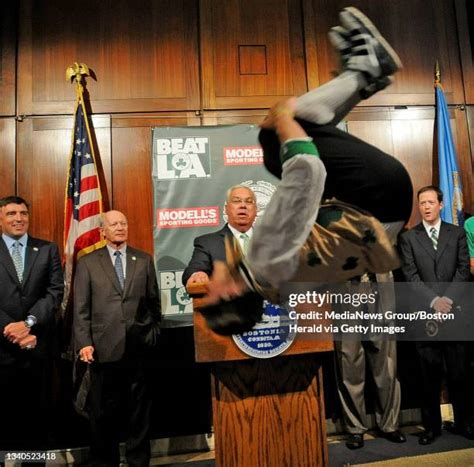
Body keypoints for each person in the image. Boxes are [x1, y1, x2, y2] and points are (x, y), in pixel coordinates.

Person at [202, 8, 413, 323]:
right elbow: (309, 169)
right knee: (274, 136)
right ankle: (364, 72)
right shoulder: (265, 258)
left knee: (286, 149)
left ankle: (365, 75)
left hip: (382, 212)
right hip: (378, 195)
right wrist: (283, 117)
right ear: (231, 293)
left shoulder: (274, 285)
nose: (206, 283)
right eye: (209, 292)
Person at [73, 210, 161, 467]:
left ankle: (138, 461)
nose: (120, 227)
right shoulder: (89, 262)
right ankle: (104, 461)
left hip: (138, 348)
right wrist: (85, 342)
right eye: (114, 224)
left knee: (139, 414)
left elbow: (154, 303)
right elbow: (81, 309)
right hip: (102, 349)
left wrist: (153, 333)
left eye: (123, 222)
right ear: (103, 230)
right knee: (102, 414)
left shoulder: (143, 259)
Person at [399, 186, 472, 444]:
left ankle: (464, 422)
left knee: (460, 374)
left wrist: (447, 301)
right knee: (427, 376)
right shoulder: (409, 238)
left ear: (441, 204)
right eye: (422, 203)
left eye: (431, 202)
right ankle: (431, 427)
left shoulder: (458, 233)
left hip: (456, 313)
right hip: (425, 315)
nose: (426, 207)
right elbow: (410, 276)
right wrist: (434, 301)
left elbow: (464, 270)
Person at [0, 195, 63, 449]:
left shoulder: (47, 249)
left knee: (37, 423)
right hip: (2, 350)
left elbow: (55, 291)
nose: (18, 219)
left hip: (37, 348)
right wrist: (10, 329)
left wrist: (28, 323)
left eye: (23, 213)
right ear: (1, 218)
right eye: (12, 214)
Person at [183, 185, 257, 287]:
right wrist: (197, 275)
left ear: (256, 210)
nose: (243, 205)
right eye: (236, 201)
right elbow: (196, 268)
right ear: (226, 209)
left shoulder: (273, 241)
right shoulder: (207, 243)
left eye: (249, 201)